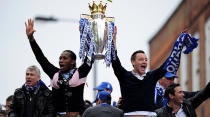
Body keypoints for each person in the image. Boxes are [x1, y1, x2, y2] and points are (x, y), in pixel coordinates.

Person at [111, 27, 199, 116]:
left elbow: (167, 64)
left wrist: (179, 45)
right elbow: (115, 62)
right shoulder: (125, 76)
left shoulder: (151, 76)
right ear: (133, 62)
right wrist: (113, 40)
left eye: (146, 60)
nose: (144, 62)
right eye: (141, 59)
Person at [25, 19, 93, 116]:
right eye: (60, 58)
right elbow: (41, 58)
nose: (61, 60)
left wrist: (85, 35)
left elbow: (90, 56)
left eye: (65, 58)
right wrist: (31, 39)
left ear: (73, 61)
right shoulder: (54, 73)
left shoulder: (80, 73)